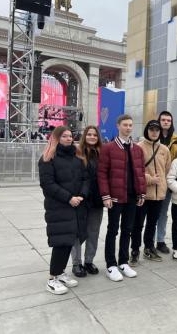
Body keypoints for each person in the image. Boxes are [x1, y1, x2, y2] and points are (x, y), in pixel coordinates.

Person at [39, 126, 89, 294]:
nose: (69, 138)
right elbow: (47, 184)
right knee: (61, 242)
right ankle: (52, 278)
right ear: (57, 138)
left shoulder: (77, 157)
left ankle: (60, 273)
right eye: (65, 136)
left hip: (76, 206)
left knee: (69, 241)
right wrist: (69, 198)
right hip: (59, 207)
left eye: (70, 136)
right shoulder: (48, 158)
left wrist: (81, 195)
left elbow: (85, 178)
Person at [98, 114, 146, 282]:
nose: (128, 127)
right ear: (118, 126)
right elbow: (102, 174)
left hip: (132, 197)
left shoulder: (137, 149)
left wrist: (142, 193)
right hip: (116, 197)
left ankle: (123, 262)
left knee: (128, 230)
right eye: (125, 125)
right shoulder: (108, 148)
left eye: (130, 125)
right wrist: (106, 195)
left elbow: (140, 174)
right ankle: (111, 265)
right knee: (113, 230)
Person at [130, 120, 171, 266]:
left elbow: (167, 169)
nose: (154, 132)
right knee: (138, 224)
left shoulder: (165, 149)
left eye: (157, 130)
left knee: (152, 224)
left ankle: (149, 248)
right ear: (147, 130)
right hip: (143, 193)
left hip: (158, 194)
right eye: (152, 129)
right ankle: (135, 250)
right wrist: (150, 179)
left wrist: (161, 184)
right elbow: (136, 170)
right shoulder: (138, 147)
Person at [71, 126, 103, 277]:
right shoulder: (77, 152)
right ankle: (76, 263)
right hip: (81, 198)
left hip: (96, 199)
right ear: (85, 136)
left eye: (94, 135)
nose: (92, 137)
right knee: (77, 233)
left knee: (93, 232)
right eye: (89, 134)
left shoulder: (101, 153)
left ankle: (88, 261)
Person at [155, 111, 177, 254]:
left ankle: (160, 240)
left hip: (169, 182)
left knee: (163, 213)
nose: (166, 122)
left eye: (168, 120)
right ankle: (149, 241)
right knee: (152, 213)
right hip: (153, 182)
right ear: (159, 121)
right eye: (163, 120)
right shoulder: (152, 136)